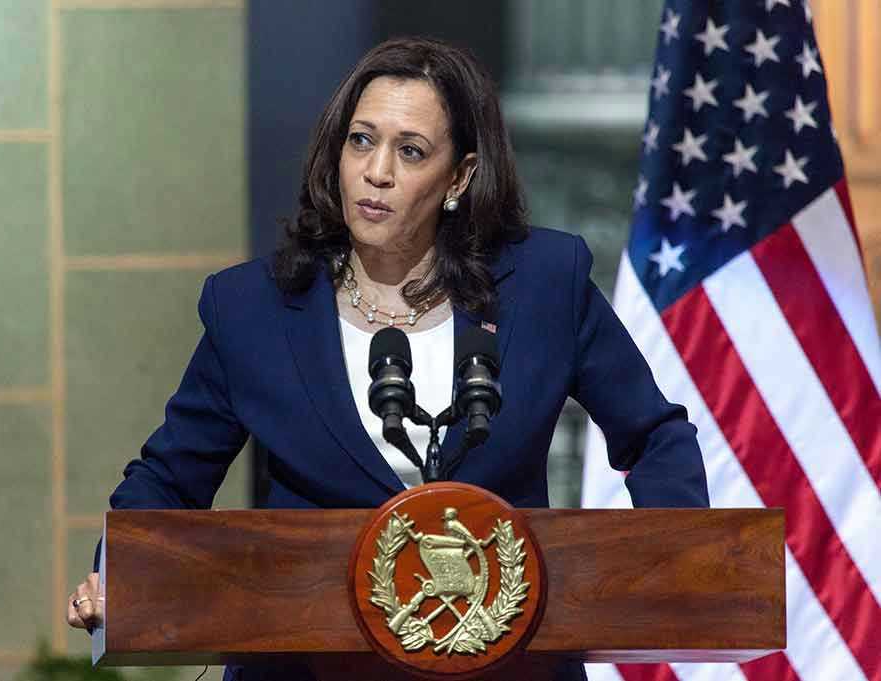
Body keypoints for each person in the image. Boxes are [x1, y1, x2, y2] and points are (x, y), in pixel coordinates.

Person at [67, 36, 710, 680]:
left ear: (460, 177)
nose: (377, 172)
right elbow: (169, 479)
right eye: (361, 141)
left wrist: (679, 561)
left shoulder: (544, 283)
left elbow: (655, 435)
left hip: (505, 660)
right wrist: (116, 575)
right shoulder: (252, 308)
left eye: (411, 151)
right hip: (308, 664)